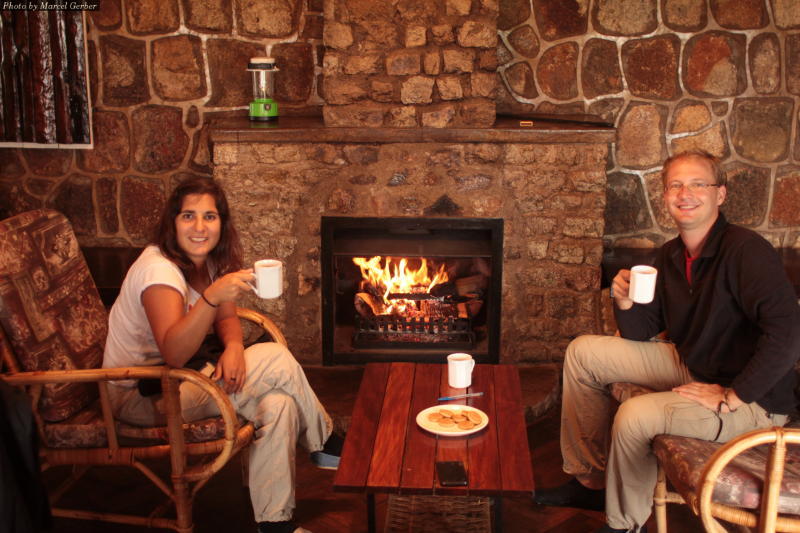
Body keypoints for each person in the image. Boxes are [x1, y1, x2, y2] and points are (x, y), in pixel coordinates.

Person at [533, 150, 800, 533]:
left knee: (634, 415)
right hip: (695, 365)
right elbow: (640, 331)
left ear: (720, 194)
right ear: (665, 196)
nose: (684, 193)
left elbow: (788, 334)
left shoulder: (746, 250)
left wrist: (733, 396)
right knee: (583, 353)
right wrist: (624, 301)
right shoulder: (670, 255)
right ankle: (590, 482)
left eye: (697, 184)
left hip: (754, 401)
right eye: (675, 185)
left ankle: (624, 525)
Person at [103, 177, 341, 533]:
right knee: (275, 357)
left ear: (221, 223)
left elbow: (226, 318)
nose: (199, 227)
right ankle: (326, 443)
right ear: (172, 221)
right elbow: (173, 353)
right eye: (188, 216)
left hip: (187, 378)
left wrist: (233, 347)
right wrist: (212, 296)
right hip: (142, 394)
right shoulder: (159, 272)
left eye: (209, 217)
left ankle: (274, 524)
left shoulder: (207, 260)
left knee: (279, 404)